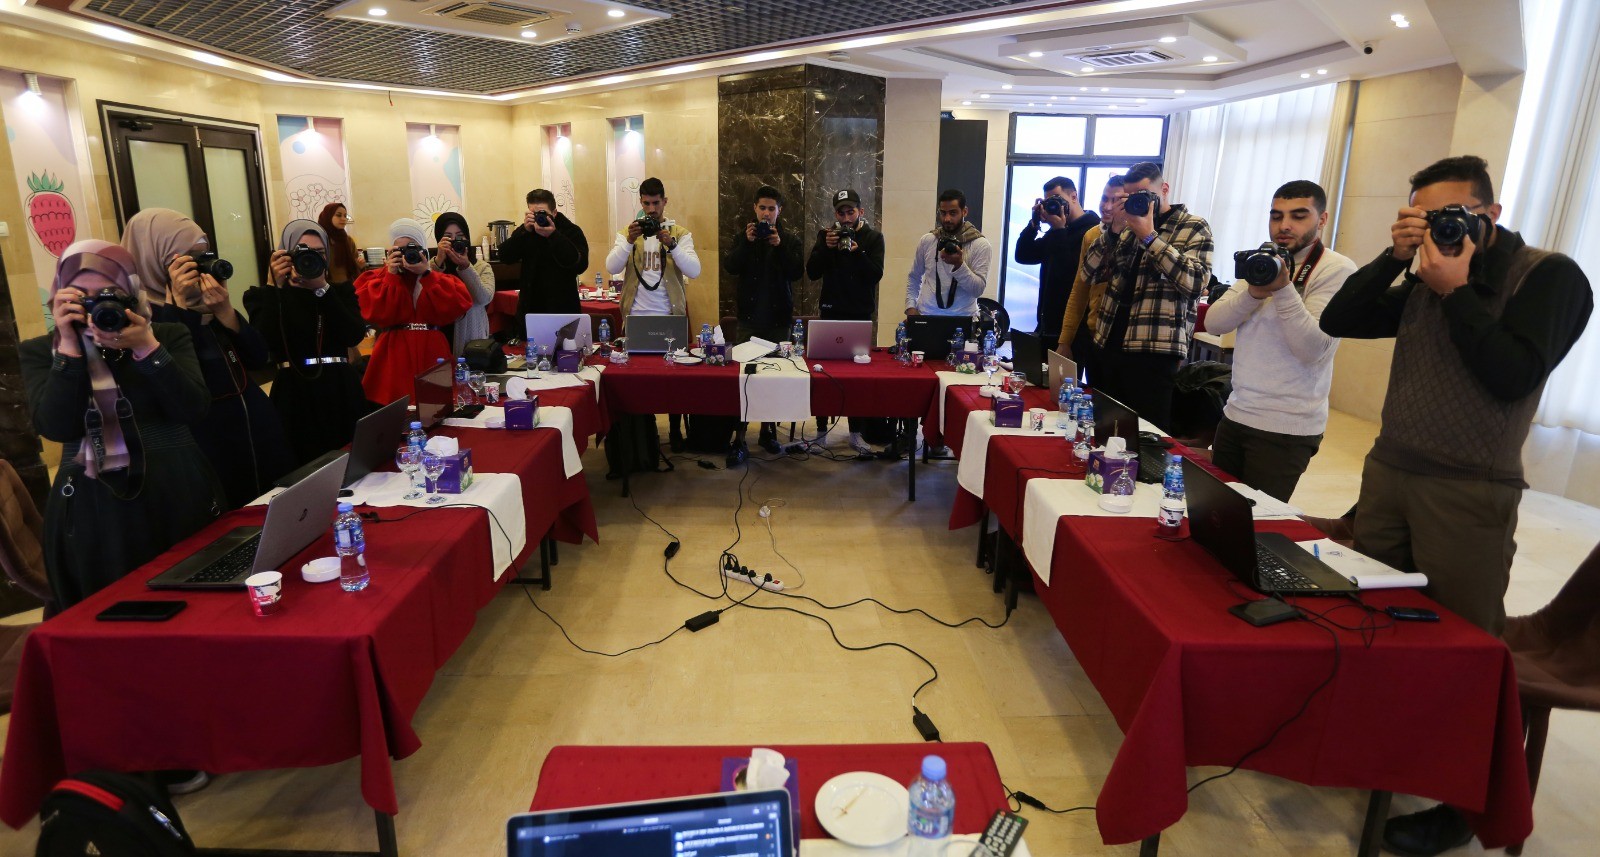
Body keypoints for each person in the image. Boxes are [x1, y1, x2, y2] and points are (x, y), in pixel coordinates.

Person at [1320, 155, 1593, 857]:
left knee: (1466, 649)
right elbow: (1339, 317)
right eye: (1421, 215)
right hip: (1390, 472)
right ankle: (1379, 750)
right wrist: (1396, 256)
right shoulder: (1423, 273)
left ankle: (1463, 803)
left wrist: (1459, 290)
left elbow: (1513, 374)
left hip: (1471, 489)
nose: (1438, 227)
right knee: (1372, 620)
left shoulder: (1549, 277)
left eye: (1452, 214)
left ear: (1491, 213)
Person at [18, 240, 224, 609]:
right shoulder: (41, 351)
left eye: (109, 294)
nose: (97, 306)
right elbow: (57, 427)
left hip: (175, 490)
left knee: (197, 605)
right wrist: (69, 350)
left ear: (132, 291)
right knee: (107, 612)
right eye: (81, 296)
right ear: (60, 295)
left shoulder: (168, 335)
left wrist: (148, 348)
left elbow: (194, 409)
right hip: (91, 505)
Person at [122, 208, 294, 509]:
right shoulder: (140, 320)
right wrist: (179, 309)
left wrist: (225, 311)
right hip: (208, 442)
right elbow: (178, 379)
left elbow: (258, 357)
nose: (200, 267)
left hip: (255, 432)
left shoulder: (210, 306)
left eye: (203, 255)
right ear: (154, 257)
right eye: (188, 258)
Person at [1201, 180, 1355, 502]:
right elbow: (1214, 323)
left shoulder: (1336, 269)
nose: (1284, 225)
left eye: (1298, 216)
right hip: (1236, 413)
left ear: (1322, 219)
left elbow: (1312, 349)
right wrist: (1254, 293)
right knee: (1219, 512)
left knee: (1259, 522)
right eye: (1276, 215)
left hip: (1287, 428)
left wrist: (1283, 289)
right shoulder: (1262, 261)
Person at [1082, 162, 1214, 431]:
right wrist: (1112, 232)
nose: (1138, 202)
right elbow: (1088, 273)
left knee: (1147, 435)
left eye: (1144, 195)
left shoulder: (1193, 227)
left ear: (1164, 189)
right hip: (1108, 343)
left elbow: (1195, 283)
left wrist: (1149, 237)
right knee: (1103, 429)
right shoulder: (1125, 227)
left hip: (1154, 352)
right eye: (1130, 197)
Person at [244, 220, 372, 465]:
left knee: (352, 465)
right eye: (303, 251)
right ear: (286, 255)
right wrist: (273, 287)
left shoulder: (340, 292)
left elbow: (353, 334)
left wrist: (322, 289)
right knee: (301, 466)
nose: (312, 258)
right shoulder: (266, 296)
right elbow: (263, 344)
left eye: (320, 252)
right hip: (294, 392)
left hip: (341, 389)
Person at [606, 177, 703, 451]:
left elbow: (694, 270)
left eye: (656, 203)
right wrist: (628, 241)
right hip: (635, 318)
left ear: (664, 202)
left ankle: (675, 430)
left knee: (674, 380)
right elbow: (612, 266)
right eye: (646, 203)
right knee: (638, 380)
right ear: (640, 202)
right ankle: (644, 437)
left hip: (670, 317)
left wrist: (672, 245)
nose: (651, 209)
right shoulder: (628, 233)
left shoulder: (680, 233)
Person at [355, 218, 474, 408]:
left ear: (423, 251)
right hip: (393, 353)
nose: (406, 255)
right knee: (394, 411)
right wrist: (390, 275)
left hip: (432, 351)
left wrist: (426, 274)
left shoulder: (436, 279)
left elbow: (456, 307)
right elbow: (375, 312)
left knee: (435, 409)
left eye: (412, 249)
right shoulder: (378, 279)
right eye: (399, 250)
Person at [725, 184, 803, 462]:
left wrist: (779, 246)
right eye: (762, 208)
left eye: (771, 208)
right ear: (754, 209)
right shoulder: (742, 237)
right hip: (749, 319)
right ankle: (739, 438)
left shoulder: (788, 239)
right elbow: (731, 267)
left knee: (774, 378)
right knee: (744, 378)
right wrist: (746, 244)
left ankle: (768, 432)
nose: (766, 213)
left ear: (779, 210)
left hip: (778, 320)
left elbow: (797, 272)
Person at [806, 188, 886, 455]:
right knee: (822, 373)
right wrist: (826, 248)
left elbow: (875, 274)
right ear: (835, 214)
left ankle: (856, 433)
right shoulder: (826, 236)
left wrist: (858, 251)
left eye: (850, 212)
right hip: (831, 311)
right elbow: (812, 272)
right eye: (841, 213)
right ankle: (820, 433)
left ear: (860, 211)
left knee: (858, 376)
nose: (846, 218)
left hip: (859, 314)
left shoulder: (873, 238)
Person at [1014, 176, 1100, 348]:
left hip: (1074, 332)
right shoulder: (1056, 232)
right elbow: (1023, 255)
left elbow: (1068, 275)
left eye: (1058, 200)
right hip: (1047, 326)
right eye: (1049, 202)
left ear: (1074, 196)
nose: (1055, 206)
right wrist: (1034, 224)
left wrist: (1059, 230)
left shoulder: (1092, 232)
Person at [1057, 175, 1127, 383]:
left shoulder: (1137, 236)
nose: (1107, 206)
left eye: (1116, 201)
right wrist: (1065, 340)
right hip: (1094, 332)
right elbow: (1080, 289)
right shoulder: (1092, 235)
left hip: (1124, 340)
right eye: (1105, 198)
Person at [500, 189, 588, 317]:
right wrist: (523, 231)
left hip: (563, 309)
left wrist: (553, 235)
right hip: (530, 309)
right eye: (534, 214)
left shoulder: (570, 231)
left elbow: (581, 265)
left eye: (543, 213)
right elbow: (505, 256)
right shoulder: (527, 231)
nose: (539, 218)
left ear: (554, 213)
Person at [906, 189, 993, 318]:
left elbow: (977, 290)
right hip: (926, 315)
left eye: (953, 213)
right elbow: (914, 277)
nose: (947, 219)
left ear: (964, 211)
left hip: (964, 318)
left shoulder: (980, 244)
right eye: (943, 213)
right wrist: (910, 307)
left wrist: (959, 265)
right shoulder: (928, 240)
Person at [431, 212, 495, 355]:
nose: (455, 241)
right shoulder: (432, 267)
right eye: (448, 237)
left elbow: (483, 299)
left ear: (467, 238)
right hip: (439, 338)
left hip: (471, 343)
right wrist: (438, 261)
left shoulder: (482, 267)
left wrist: (466, 267)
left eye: (460, 236)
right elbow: (423, 294)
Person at [317, 202, 366, 289]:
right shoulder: (319, 240)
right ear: (328, 216)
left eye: (345, 216)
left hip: (347, 286)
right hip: (324, 287)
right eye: (339, 215)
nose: (343, 219)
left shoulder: (348, 240)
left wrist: (360, 265)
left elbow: (355, 265)